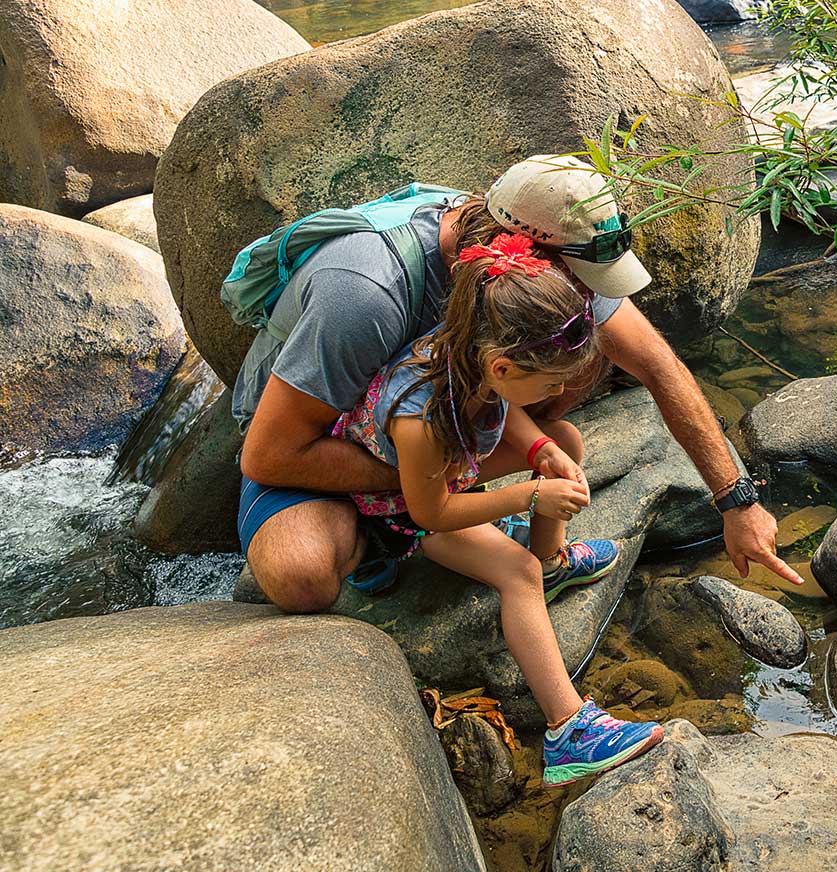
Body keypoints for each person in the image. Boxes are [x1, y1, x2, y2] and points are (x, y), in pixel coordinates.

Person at [235, 154, 801, 613]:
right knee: (300, 577)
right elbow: (268, 456)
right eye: (582, 281)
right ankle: (393, 531)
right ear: (526, 252)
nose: (588, 293)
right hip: (321, 433)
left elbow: (657, 366)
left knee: (581, 359)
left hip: (428, 422)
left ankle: (434, 518)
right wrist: (431, 485)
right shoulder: (365, 292)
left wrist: (737, 500)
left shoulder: (543, 251)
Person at [331, 228, 661, 784]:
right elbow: (430, 512)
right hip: (403, 512)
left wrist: (540, 448)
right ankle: (568, 730)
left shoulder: (476, 349)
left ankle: (556, 564)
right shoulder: (420, 414)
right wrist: (531, 493)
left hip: (452, 467)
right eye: (551, 382)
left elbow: (507, 412)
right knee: (517, 572)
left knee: (569, 444)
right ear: (504, 369)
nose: (558, 391)